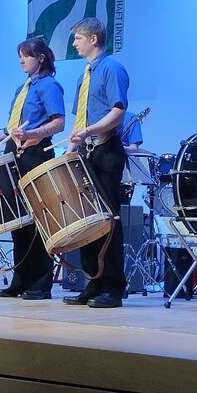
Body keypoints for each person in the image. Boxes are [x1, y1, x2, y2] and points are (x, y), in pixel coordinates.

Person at [0, 37, 64, 300]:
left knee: (38, 219)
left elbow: (58, 123)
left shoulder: (49, 85)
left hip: (35, 153)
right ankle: (20, 279)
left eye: (26, 56)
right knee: (18, 219)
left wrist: (35, 133)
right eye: (19, 56)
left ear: (40, 58)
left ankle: (40, 282)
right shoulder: (22, 88)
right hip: (14, 152)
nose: (21, 60)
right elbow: (14, 125)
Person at [62, 17, 130, 309]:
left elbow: (118, 111)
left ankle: (112, 288)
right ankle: (93, 282)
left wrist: (89, 131)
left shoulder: (112, 68)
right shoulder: (84, 76)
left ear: (93, 39)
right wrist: (69, 151)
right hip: (86, 152)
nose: (74, 43)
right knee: (87, 219)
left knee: (107, 221)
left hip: (105, 150)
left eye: (78, 38)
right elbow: (79, 120)